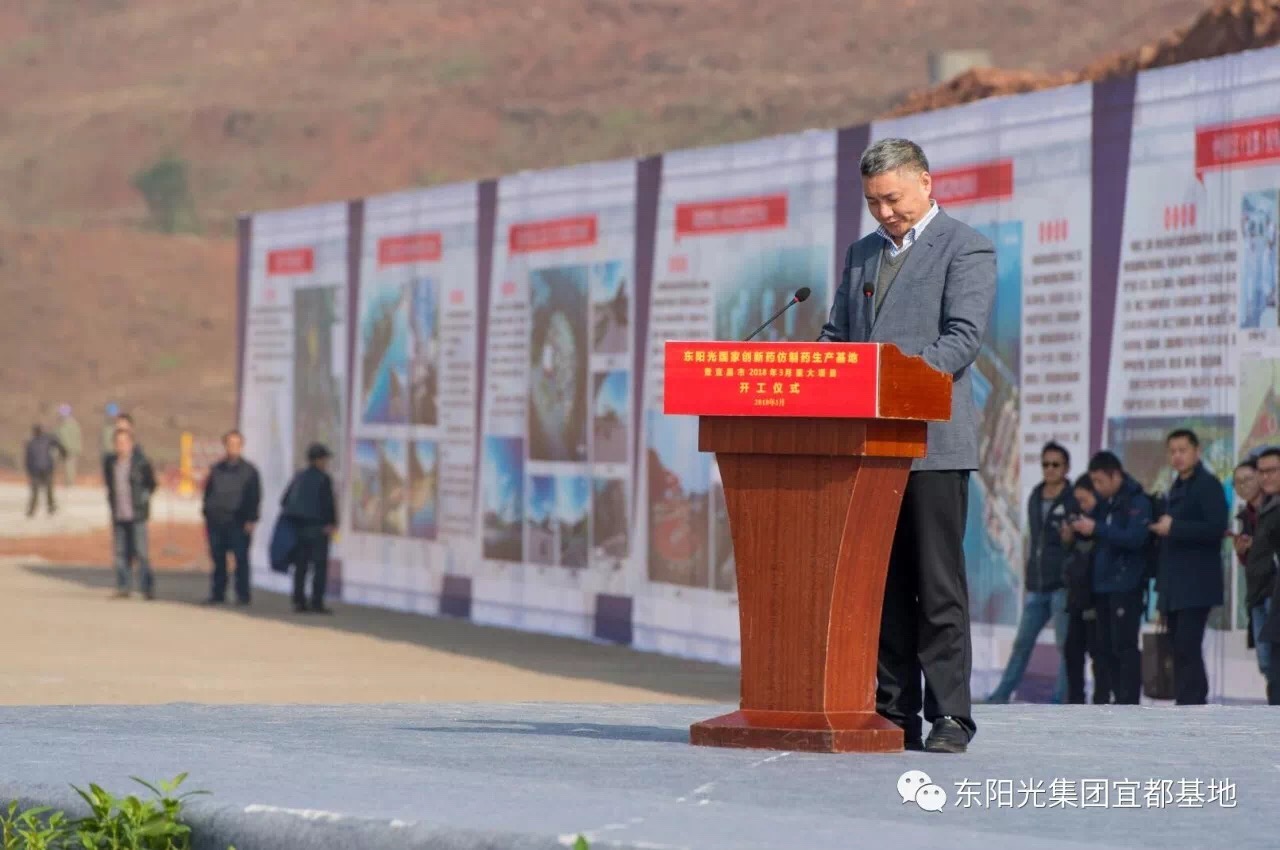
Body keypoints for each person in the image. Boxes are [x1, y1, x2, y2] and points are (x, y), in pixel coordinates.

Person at [818, 138, 997, 753]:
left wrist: (890, 383)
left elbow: (961, 339)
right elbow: (837, 335)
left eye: (893, 198)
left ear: (925, 182)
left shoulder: (965, 247)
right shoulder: (862, 254)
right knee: (883, 586)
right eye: (873, 202)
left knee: (937, 587)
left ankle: (951, 716)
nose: (885, 212)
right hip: (867, 451)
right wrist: (818, 371)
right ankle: (893, 712)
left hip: (932, 447)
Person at [984, 442, 1074, 704]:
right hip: (1037, 585)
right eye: (1045, 464)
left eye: (1055, 464)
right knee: (1022, 643)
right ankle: (1001, 695)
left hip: (1061, 585)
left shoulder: (1072, 498)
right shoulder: (1035, 495)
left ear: (1066, 468)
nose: (1050, 469)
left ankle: (1059, 699)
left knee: (1065, 646)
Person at [1149, 429, 1229, 705]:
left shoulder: (1208, 485)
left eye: (1183, 450)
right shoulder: (1175, 487)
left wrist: (1175, 527)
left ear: (1197, 451)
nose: (1177, 456)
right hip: (1175, 586)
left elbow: (1216, 529)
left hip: (1197, 585)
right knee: (1179, 648)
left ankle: (1192, 705)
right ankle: (1187, 704)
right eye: (1172, 451)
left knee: (1187, 647)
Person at [1070, 451, 1152, 705]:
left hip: (1125, 586)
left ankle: (1129, 701)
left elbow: (1135, 538)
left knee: (1124, 647)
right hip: (1101, 587)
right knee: (1103, 649)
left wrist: (1098, 528)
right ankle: (1114, 699)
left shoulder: (1136, 501)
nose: (1096, 487)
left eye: (1099, 481)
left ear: (1116, 475)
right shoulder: (1106, 503)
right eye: (1093, 481)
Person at [1061, 474, 1110, 704]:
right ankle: (1075, 701)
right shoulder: (1077, 519)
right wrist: (1068, 537)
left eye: (1085, 500)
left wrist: (1094, 529)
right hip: (1077, 598)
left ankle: (1101, 701)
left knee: (1099, 655)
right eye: (1078, 500)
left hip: (1098, 598)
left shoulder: (1104, 520)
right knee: (1072, 652)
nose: (1082, 505)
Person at [202, 430, 262, 606]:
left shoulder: (249, 471)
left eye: (236, 444)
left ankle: (242, 595)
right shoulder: (217, 469)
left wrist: (251, 519)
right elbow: (208, 493)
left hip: (239, 521)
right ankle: (218, 593)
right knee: (218, 559)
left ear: (241, 446)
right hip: (217, 521)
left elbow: (255, 496)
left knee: (241, 559)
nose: (232, 448)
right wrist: (207, 513)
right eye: (229, 444)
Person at [281, 443, 338, 614]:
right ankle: (316, 602)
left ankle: (299, 601)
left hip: (299, 528)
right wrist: (332, 523)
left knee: (301, 566)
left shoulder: (299, 476)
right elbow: (328, 503)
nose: (326, 462)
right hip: (318, 529)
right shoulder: (323, 479)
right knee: (319, 567)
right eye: (325, 459)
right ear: (319, 460)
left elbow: (284, 500)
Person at [103, 427, 157, 599]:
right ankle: (123, 586)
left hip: (137, 515)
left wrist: (143, 500)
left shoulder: (141, 463)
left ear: (131, 444)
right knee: (120, 553)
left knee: (141, 552)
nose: (121, 446)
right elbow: (109, 485)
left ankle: (146, 588)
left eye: (124, 442)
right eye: (118, 442)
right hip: (119, 514)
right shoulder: (111, 463)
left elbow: (152, 484)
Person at [1245, 449, 1280, 703]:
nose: (1265, 477)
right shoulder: (1265, 506)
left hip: (1272, 593)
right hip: (1263, 594)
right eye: (1261, 471)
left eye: (1272, 471)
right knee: (1269, 667)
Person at [24, 424, 66, 517]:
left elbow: (27, 459)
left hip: (40, 469)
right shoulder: (45, 439)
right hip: (45, 468)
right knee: (46, 490)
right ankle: (48, 508)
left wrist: (29, 470)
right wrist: (63, 452)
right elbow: (58, 443)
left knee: (38, 490)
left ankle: (35, 509)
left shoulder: (32, 442)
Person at [54, 404, 82, 487]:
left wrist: (67, 447)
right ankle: (66, 482)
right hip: (66, 448)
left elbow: (65, 436)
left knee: (69, 466)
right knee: (68, 465)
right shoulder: (66, 424)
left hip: (69, 448)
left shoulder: (69, 424)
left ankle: (69, 483)